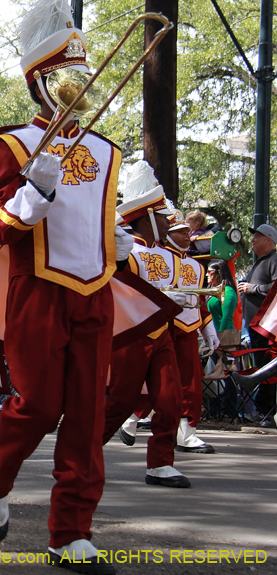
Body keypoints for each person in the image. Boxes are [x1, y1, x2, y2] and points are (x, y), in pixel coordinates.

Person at [0, 0, 134, 572]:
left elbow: (101, 218)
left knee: (86, 414)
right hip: (38, 290)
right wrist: (35, 191)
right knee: (40, 403)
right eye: (62, 74)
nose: (74, 86)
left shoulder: (105, 148)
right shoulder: (14, 144)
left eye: (80, 73)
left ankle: (70, 530)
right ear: (38, 81)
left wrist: (120, 246)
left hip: (93, 290)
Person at [102, 162, 190, 487]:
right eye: (164, 216)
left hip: (162, 332)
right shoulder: (122, 249)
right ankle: (82, 452)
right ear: (148, 217)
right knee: (120, 401)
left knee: (169, 399)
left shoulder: (167, 255)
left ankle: (160, 463)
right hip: (130, 335)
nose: (170, 221)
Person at [165, 210, 219, 453]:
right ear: (167, 235)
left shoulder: (196, 267)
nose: (188, 236)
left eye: (188, 231)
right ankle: (130, 419)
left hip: (186, 327)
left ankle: (186, 433)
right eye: (181, 231)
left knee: (190, 381)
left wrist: (210, 331)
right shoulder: (151, 256)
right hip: (158, 326)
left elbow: (200, 302)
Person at [239, 224, 277, 419]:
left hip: (267, 328)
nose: (252, 240)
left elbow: (276, 286)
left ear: (269, 240)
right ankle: (264, 410)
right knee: (261, 365)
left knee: (266, 366)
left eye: (257, 236)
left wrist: (252, 288)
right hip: (256, 326)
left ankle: (267, 411)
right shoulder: (260, 261)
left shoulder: (274, 259)